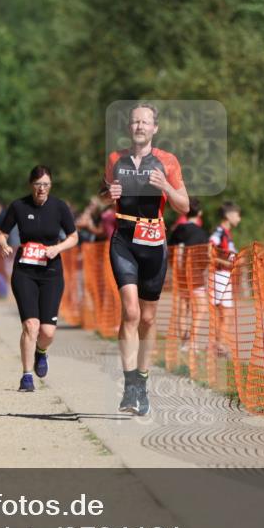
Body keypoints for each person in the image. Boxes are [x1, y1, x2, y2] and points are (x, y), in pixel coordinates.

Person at [101, 102, 190, 415]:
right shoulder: (115, 159)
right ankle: (129, 387)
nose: (139, 126)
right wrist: (107, 195)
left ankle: (142, 379)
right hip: (124, 240)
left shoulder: (168, 161)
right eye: (135, 121)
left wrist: (165, 186)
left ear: (155, 128)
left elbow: (184, 206)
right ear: (129, 127)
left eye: (145, 122)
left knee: (149, 318)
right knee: (131, 312)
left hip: (153, 242)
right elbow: (103, 195)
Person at [0, 166, 79, 392]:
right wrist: (3, 244)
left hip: (51, 273)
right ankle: (26, 377)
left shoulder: (59, 207)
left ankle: (41, 352)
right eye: (38, 184)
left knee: (47, 332)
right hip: (25, 272)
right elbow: (2, 233)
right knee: (31, 326)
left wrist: (57, 248)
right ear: (31, 185)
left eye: (46, 185)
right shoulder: (19, 206)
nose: (42, 189)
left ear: (50, 185)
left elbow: (73, 237)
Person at [168, 197, 210, 351]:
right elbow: (205, 256)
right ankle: (192, 340)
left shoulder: (177, 230)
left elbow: (170, 250)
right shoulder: (202, 233)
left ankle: (184, 343)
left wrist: (174, 267)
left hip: (180, 274)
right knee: (202, 307)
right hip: (195, 275)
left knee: (184, 307)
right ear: (200, 213)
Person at [209, 201, 242, 356]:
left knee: (224, 313)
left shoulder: (228, 234)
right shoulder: (219, 232)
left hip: (225, 275)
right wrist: (226, 263)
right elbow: (209, 252)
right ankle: (217, 346)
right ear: (229, 215)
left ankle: (219, 345)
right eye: (238, 215)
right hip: (219, 275)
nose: (239, 219)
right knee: (223, 312)